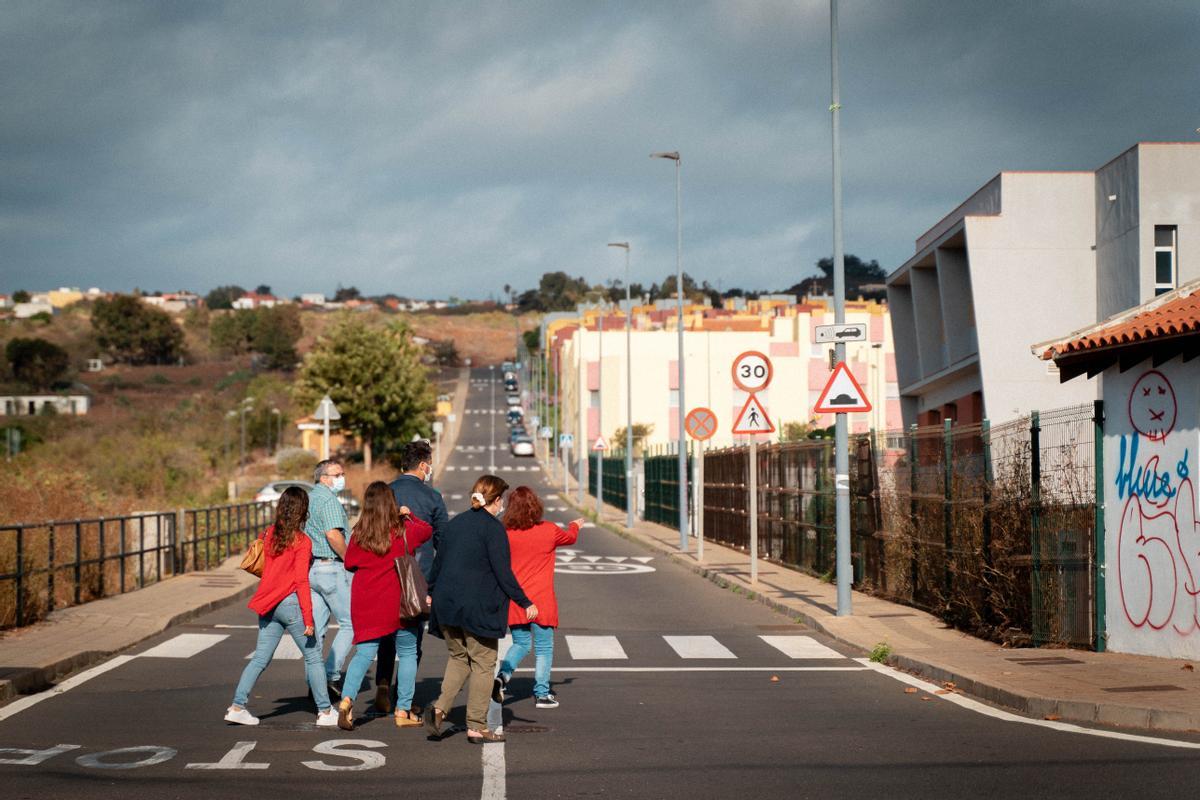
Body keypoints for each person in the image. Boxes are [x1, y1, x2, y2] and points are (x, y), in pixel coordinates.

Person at [423, 475, 538, 744]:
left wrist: (430, 592)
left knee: (459, 658)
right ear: (496, 500)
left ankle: (439, 710)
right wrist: (525, 602)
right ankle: (476, 726)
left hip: (447, 603)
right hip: (477, 607)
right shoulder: (493, 529)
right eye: (502, 502)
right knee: (484, 663)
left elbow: (439, 562)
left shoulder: (455, 524)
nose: (502, 507)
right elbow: (503, 573)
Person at [226, 486, 338, 727]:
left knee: (260, 659)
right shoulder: (302, 541)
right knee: (313, 657)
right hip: (289, 604)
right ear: (303, 510)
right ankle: (326, 712)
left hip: (268, 604)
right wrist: (308, 619)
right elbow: (301, 581)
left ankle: (237, 706)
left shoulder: (268, 533)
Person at [335, 481, 434, 731]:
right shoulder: (401, 532)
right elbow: (427, 531)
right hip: (400, 604)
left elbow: (349, 563)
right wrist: (408, 515)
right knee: (409, 653)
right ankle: (403, 710)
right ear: (391, 504)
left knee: (364, 654)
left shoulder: (359, 534)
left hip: (367, 603)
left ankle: (347, 701)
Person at [373, 439, 449, 714]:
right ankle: (404, 697)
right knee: (411, 639)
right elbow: (443, 540)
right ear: (422, 465)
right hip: (419, 575)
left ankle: (382, 685)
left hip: (385, 571)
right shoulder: (432, 497)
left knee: (386, 634)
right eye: (429, 463)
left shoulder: (386, 492)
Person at [493, 487, 583, 709]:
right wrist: (575, 525)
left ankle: (502, 677)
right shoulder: (549, 530)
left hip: (516, 599)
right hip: (541, 600)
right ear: (536, 507)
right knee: (544, 648)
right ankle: (542, 693)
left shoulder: (505, 533)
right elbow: (571, 538)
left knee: (521, 643)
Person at [305, 459, 354, 697]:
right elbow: (333, 535)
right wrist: (349, 559)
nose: (342, 478)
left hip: (312, 568)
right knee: (350, 624)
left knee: (315, 629)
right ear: (324, 478)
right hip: (331, 568)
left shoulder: (310, 498)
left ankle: (312, 679)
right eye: (338, 474)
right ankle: (330, 675)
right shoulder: (329, 500)